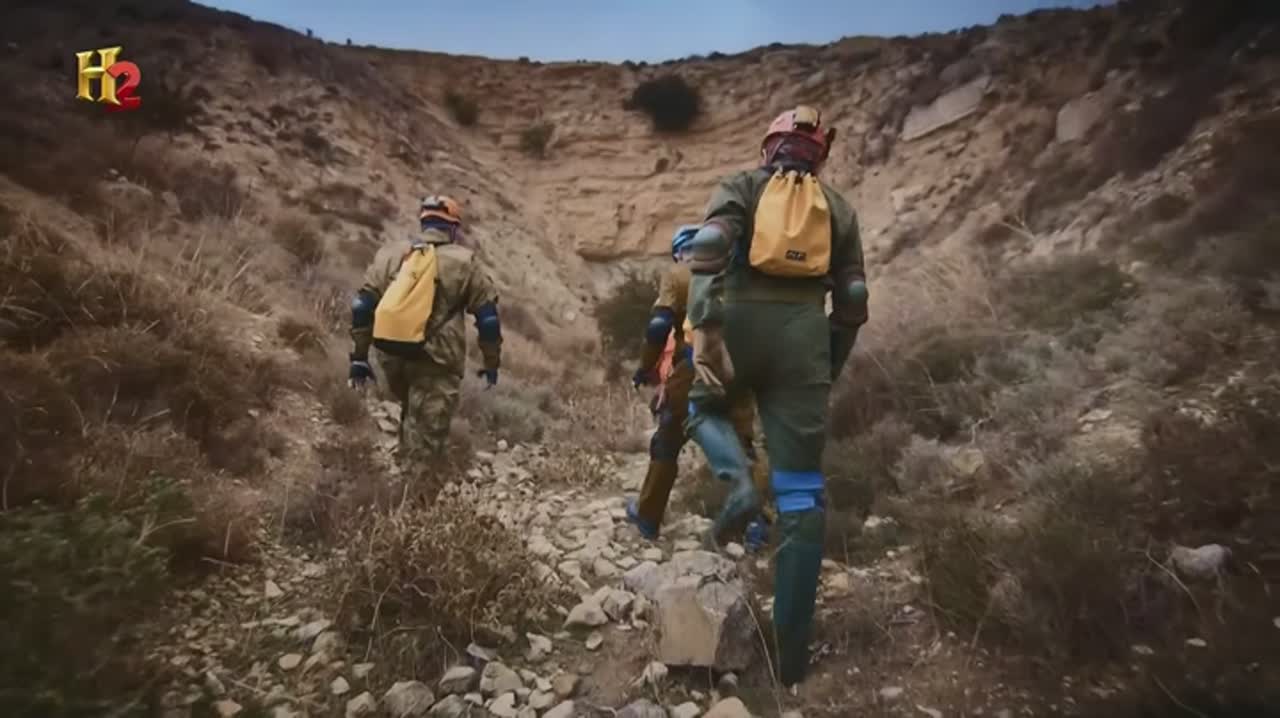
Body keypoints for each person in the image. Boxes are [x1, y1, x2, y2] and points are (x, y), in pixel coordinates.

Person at [680, 105, 869, 688]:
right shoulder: (837, 208)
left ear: (770, 148)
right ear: (819, 157)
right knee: (802, 493)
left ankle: (737, 479)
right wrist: (827, 365)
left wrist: (706, 327)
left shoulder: (742, 185)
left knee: (701, 409)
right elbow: (854, 297)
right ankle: (790, 661)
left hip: (736, 325)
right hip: (803, 339)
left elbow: (711, 242)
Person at [624, 225, 772, 548]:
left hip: (694, 370)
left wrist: (645, 368)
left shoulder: (679, 274)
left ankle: (647, 517)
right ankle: (756, 526)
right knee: (744, 445)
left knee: (666, 441)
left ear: (680, 252)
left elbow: (659, 326)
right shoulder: (736, 278)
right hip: (740, 374)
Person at [348, 195, 502, 465]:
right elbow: (488, 319)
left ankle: (402, 471)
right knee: (428, 441)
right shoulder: (464, 262)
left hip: (391, 354)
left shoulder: (391, 255)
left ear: (423, 224)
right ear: (453, 228)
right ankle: (416, 484)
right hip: (437, 360)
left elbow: (362, 306)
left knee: (410, 412)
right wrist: (491, 363)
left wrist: (359, 358)